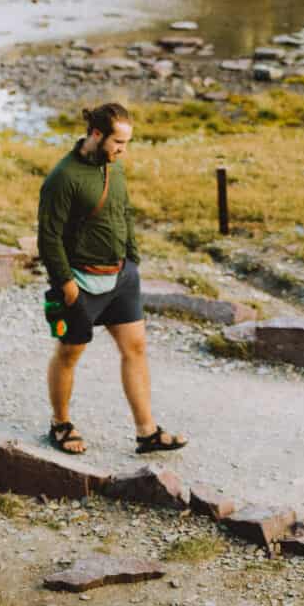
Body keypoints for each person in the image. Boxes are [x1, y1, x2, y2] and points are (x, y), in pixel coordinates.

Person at [37, 101, 186, 456]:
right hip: (80, 282)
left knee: (135, 348)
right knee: (70, 353)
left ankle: (147, 432)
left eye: (127, 143)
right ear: (97, 134)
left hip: (120, 277)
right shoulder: (64, 177)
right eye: (118, 142)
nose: (123, 150)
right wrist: (66, 284)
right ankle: (60, 424)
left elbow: (124, 212)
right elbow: (49, 237)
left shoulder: (113, 169)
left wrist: (131, 258)